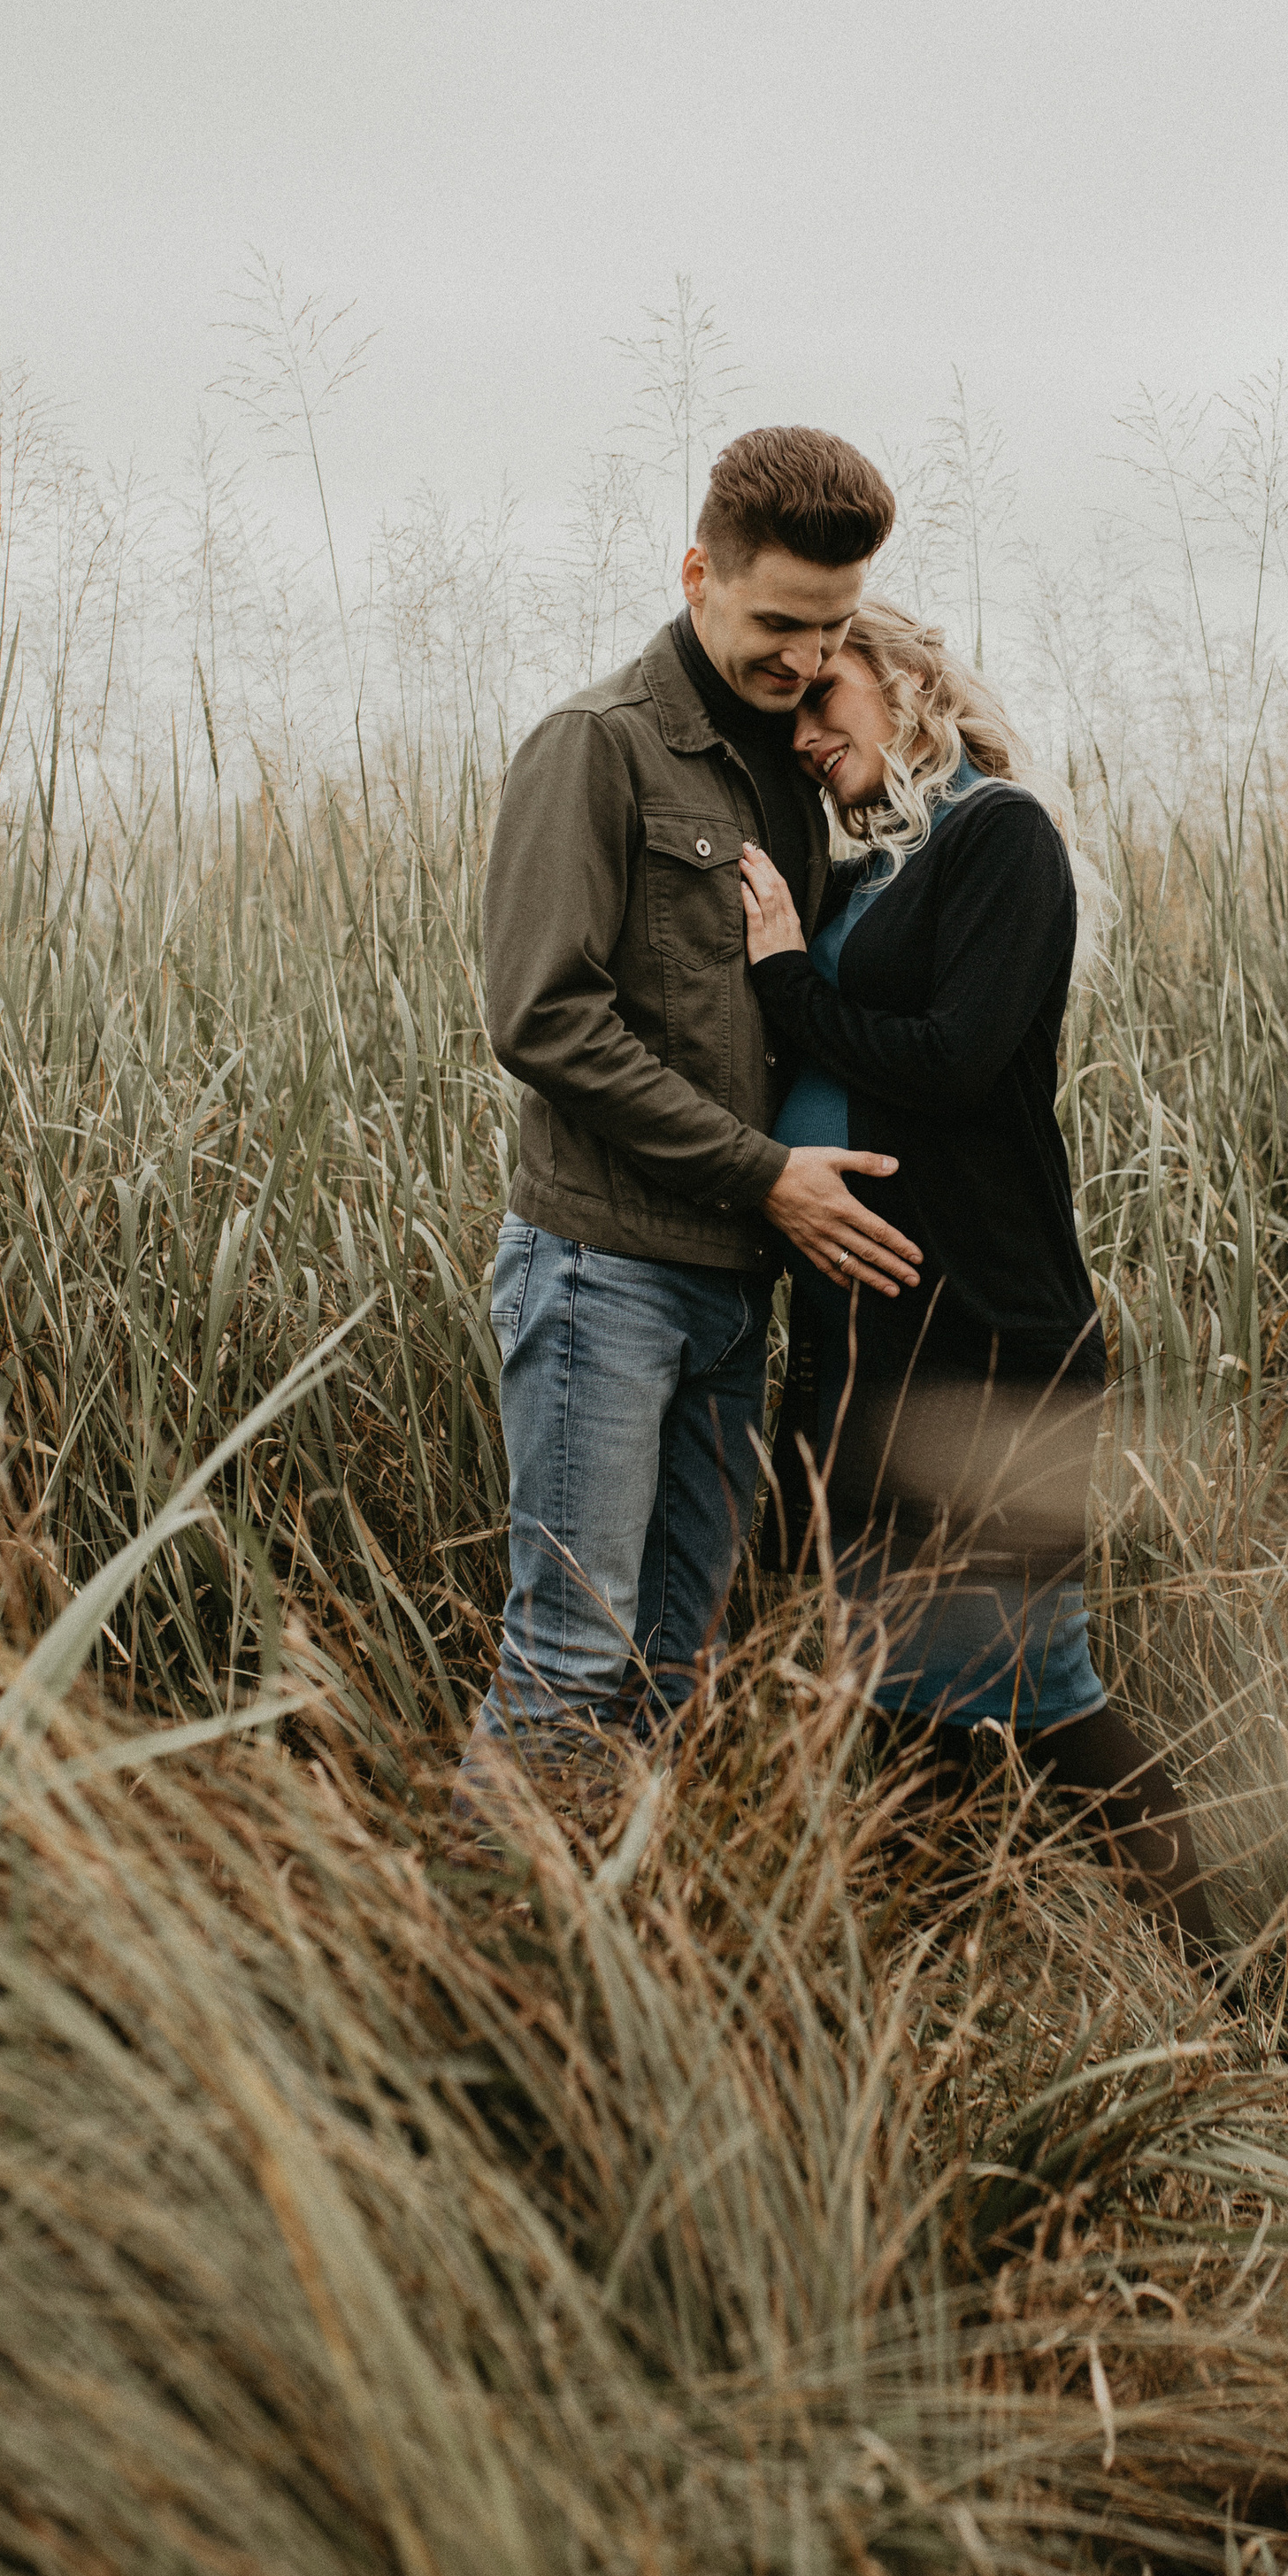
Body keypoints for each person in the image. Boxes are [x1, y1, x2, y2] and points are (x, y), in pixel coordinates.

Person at [739, 601, 1218, 1954]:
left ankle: (1219, 1983)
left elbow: (952, 1059)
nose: (809, 727)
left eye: (827, 691)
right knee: (887, 1686)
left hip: (986, 1334)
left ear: (903, 679)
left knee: (1041, 1688)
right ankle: (943, 1999)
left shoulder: (999, 835)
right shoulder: (875, 871)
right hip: (871, 1339)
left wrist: (783, 978)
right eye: (792, 714)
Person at [465, 427, 924, 1757]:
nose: (804, 660)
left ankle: (627, 1947)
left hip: (736, 1290)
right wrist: (766, 1174)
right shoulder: (594, 747)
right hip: (602, 1273)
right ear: (696, 577)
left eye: (831, 632)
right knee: (569, 1657)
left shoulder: (794, 770)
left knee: (679, 1666)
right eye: (779, 622)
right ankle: (484, 1961)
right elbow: (542, 1017)